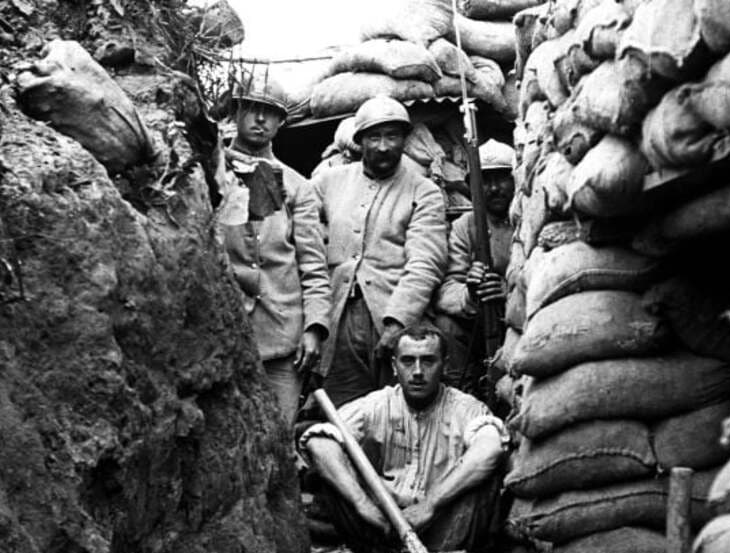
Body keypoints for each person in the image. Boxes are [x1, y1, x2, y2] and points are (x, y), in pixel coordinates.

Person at [300, 324, 508, 553]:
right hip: (383, 530)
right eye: (408, 361)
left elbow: (490, 447)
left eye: (428, 361)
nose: (418, 372)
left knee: (485, 479)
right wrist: (363, 504)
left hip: (441, 533)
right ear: (394, 366)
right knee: (332, 471)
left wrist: (431, 505)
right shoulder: (377, 404)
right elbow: (319, 443)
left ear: (445, 365)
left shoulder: (465, 408)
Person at [311, 96, 449, 407]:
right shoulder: (328, 182)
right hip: (338, 317)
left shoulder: (423, 191)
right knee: (343, 412)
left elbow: (426, 262)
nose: (384, 146)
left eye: (392, 136)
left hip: (392, 316)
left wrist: (398, 322)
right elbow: (300, 228)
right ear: (360, 141)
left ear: (404, 139)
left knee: (399, 411)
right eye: (374, 137)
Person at [217, 75, 332, 423]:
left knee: (279, 434)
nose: (260, 120)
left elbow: (313, 265)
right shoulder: (214, 173)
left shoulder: (298, 187)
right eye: (251, 109)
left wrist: (314, 327)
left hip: (282, 336)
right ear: (236, 112)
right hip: (225, 332)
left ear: (281, 121)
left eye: (270, 113)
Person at [433, 139, 516, 389]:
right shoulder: (464, 226)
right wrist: (470, 294)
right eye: (485, 181)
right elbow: (447, 289)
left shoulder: (528, 219)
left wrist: (510, 292)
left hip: (522, 318)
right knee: (446, 326)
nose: (494, 189)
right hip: (481, 324)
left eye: (501, 179)